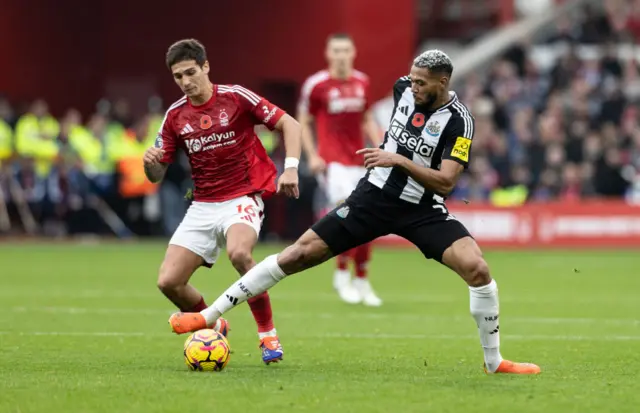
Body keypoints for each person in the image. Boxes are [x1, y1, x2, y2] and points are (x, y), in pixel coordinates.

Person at [167, 49, 541, 375]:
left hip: (421, 208)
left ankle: (495, 362)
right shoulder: (401, 88)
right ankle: (208, 316)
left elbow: (445, 183)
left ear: (443, 82)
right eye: (411, 80)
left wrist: (397, 159)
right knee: (297, 255)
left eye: (422, 83)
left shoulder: (460, 121)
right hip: (372, 199)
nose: (412, 87)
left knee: (477, 268)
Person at [144, 39, 301, 365]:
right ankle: (212, 325)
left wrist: (291, 169)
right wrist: (151, 163)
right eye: (178, 77)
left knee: (240, 253)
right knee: (168, 282)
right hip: (202, 204)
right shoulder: (175, 116)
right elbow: (156, 175)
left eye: (190, 72)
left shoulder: (235, 97)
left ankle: (267, 335)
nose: (186, 82)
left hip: (242, 196)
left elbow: (290, 123)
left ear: (206, 67)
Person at [297, 33, 384, 306]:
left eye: (345, 50)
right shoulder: (317, 85)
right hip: (332, 163)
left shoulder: (362, 82)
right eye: (336, 50)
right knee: (348, 214)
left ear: (353, 52)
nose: (341, 55)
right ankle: (342, 274)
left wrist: (381, 146)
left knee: (368, 221)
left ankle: (361, 279)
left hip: (360, 160)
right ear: (328, 53)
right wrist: (311, 155)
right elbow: (303, 120)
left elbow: (367, 117)